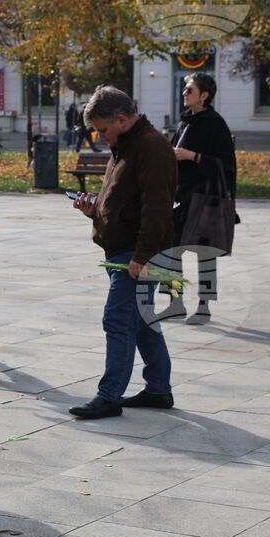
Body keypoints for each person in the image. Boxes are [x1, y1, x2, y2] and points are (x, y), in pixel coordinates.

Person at [69, 86, 177, 420]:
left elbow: (157, 208)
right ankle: (158, 388)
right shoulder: (126, 144)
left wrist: (142, 256)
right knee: (140, 321)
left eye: (103, 130)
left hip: (138, 252)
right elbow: (124, 198)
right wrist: (95, 211)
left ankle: (109, 396)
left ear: (121, 118)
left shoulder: (151, 146)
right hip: (123, 248)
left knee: (117, 318)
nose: (101, 137)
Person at [167, 72, 237, 325]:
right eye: (185, 89)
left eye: (190, 90)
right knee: (170, 248)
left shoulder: (215, 124)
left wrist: (192, 156)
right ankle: (175, 303)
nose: (184, 93)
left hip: (206, 198)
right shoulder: (185, 122)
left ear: (204, 95)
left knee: (204, 254)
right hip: (182, 195)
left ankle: (204, 307)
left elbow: (227, 166)